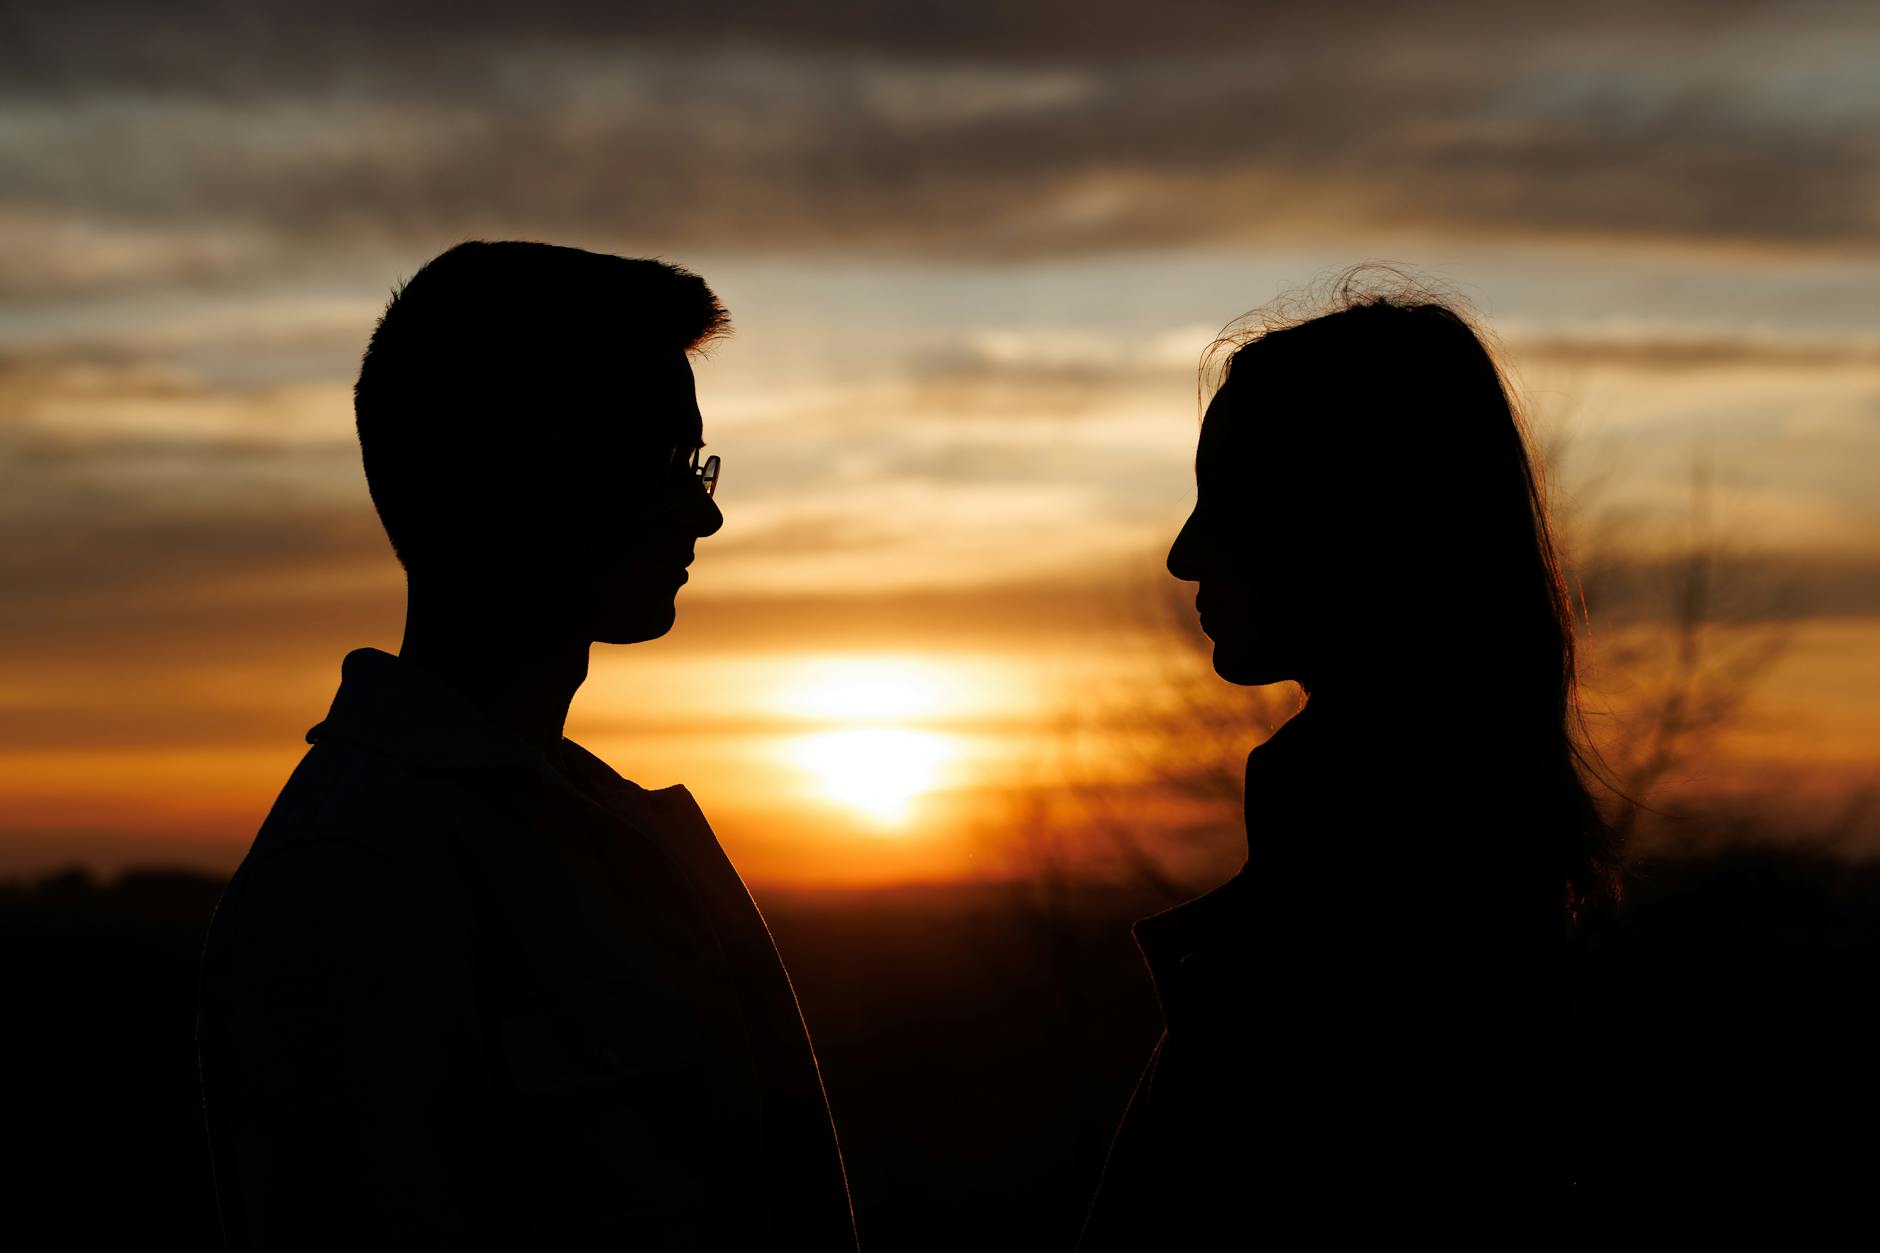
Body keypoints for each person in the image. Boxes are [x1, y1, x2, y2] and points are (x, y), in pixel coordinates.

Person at [197, 241, 856, 1250]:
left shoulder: (606, 828)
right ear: (500, 474)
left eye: (695, 463)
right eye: (659, 464)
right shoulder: (354, 876)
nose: (704, 511)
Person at [1079, 277, 1618, 1245]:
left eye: (1226, 501)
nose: (1182, 552)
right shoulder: (1454, 873)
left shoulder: (1381, 924)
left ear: (1349, 519)